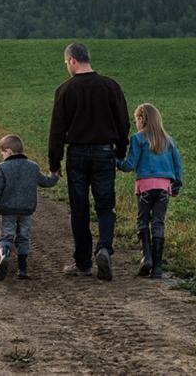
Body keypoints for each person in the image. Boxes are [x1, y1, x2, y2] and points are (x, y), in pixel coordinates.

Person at [48, 43, 130, 281]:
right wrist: (120, 153)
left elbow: (56, 131)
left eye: (66, 63)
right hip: (105, 152)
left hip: (77, 155)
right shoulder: (110, 86)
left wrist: (55, 162)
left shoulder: (64, 90)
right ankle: (104, 248)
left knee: (79, 209)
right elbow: (123, 123)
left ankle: (83, 262)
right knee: (105, 206)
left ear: (72, 60)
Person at [117, 103, 184, 279]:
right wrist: (176, 186)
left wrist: (116, 162)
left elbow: (130, 165)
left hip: (145, 187)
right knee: (158, 222)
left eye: (136, 119)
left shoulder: (137, 139)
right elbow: (178, 166)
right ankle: (158, 268)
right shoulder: (168, 141)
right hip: (163, 188)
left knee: (142, 221)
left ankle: (146, 258)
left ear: (141, 119)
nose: (135, 123)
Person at [0, 135, 58, 280]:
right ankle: (23, 270)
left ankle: (4, 255)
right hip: (26, 209)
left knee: (7, 235)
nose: (3, 156)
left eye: (3, 153)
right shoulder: (33, 166)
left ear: (9, 151)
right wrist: (54, 174)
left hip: (8, 210)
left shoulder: (3, 167)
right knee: (23, 237)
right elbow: (46, 182)